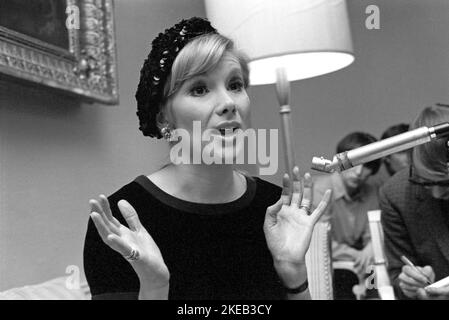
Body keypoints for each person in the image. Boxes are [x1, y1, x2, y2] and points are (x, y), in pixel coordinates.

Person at [83, 17, 331, 300]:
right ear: (164, 117)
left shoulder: (273, 208)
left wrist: (293, 275)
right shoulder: (120, 221)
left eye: (235, 85)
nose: (228, 103)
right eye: (199, 89)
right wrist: (155, 287)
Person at [380, 103, 449, 300]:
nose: (436, 193)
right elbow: (397, 273)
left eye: (446, 184)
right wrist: (411, 285)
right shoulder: (396, 195)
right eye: (427, 183)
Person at [313, 132, 381, 278]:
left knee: (377, 271)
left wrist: (370, 248)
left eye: (367, 165)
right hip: (326, 265)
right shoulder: (321, 190)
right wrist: (358, 254)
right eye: (355, 163)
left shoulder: (372, 191)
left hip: (361, 265)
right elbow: (321, 241)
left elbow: (373, 233)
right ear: (341, 161)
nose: (358, 172)